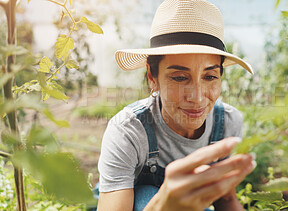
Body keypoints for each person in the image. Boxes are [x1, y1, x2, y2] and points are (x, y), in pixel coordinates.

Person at [97, 0, 255, 210]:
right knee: (147, 194)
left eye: (209, 77)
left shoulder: (228, 123)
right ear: (152, 76)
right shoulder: (128, 131)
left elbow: (225, 200)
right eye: (180, 77)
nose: (197, 98)